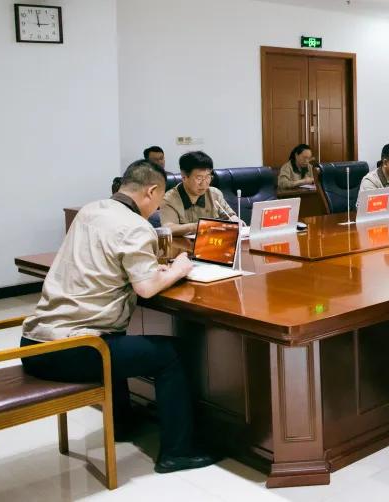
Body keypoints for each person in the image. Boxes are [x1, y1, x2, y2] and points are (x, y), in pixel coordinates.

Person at [20, 160, 217, 474]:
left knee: (114, 338)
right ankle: (177, 452)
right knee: (172, 354)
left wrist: (150, 270)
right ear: (151, 191)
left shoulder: (90, 210)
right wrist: (179, 269)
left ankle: (123, 423)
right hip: (72, 349)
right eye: (158, 200)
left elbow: (105, 262)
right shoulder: (135, 225)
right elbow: (147, 288)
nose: (156, 209)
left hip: (35, 342)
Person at [160, 151, 237, 236]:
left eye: (208, 177)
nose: (204, 184)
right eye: (199, 178)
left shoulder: (214, 194)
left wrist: (236, 220)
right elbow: (168, 228)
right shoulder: (169, 199)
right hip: (183, 244)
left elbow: (230, 216)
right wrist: (197, 227)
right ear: (184, 177)